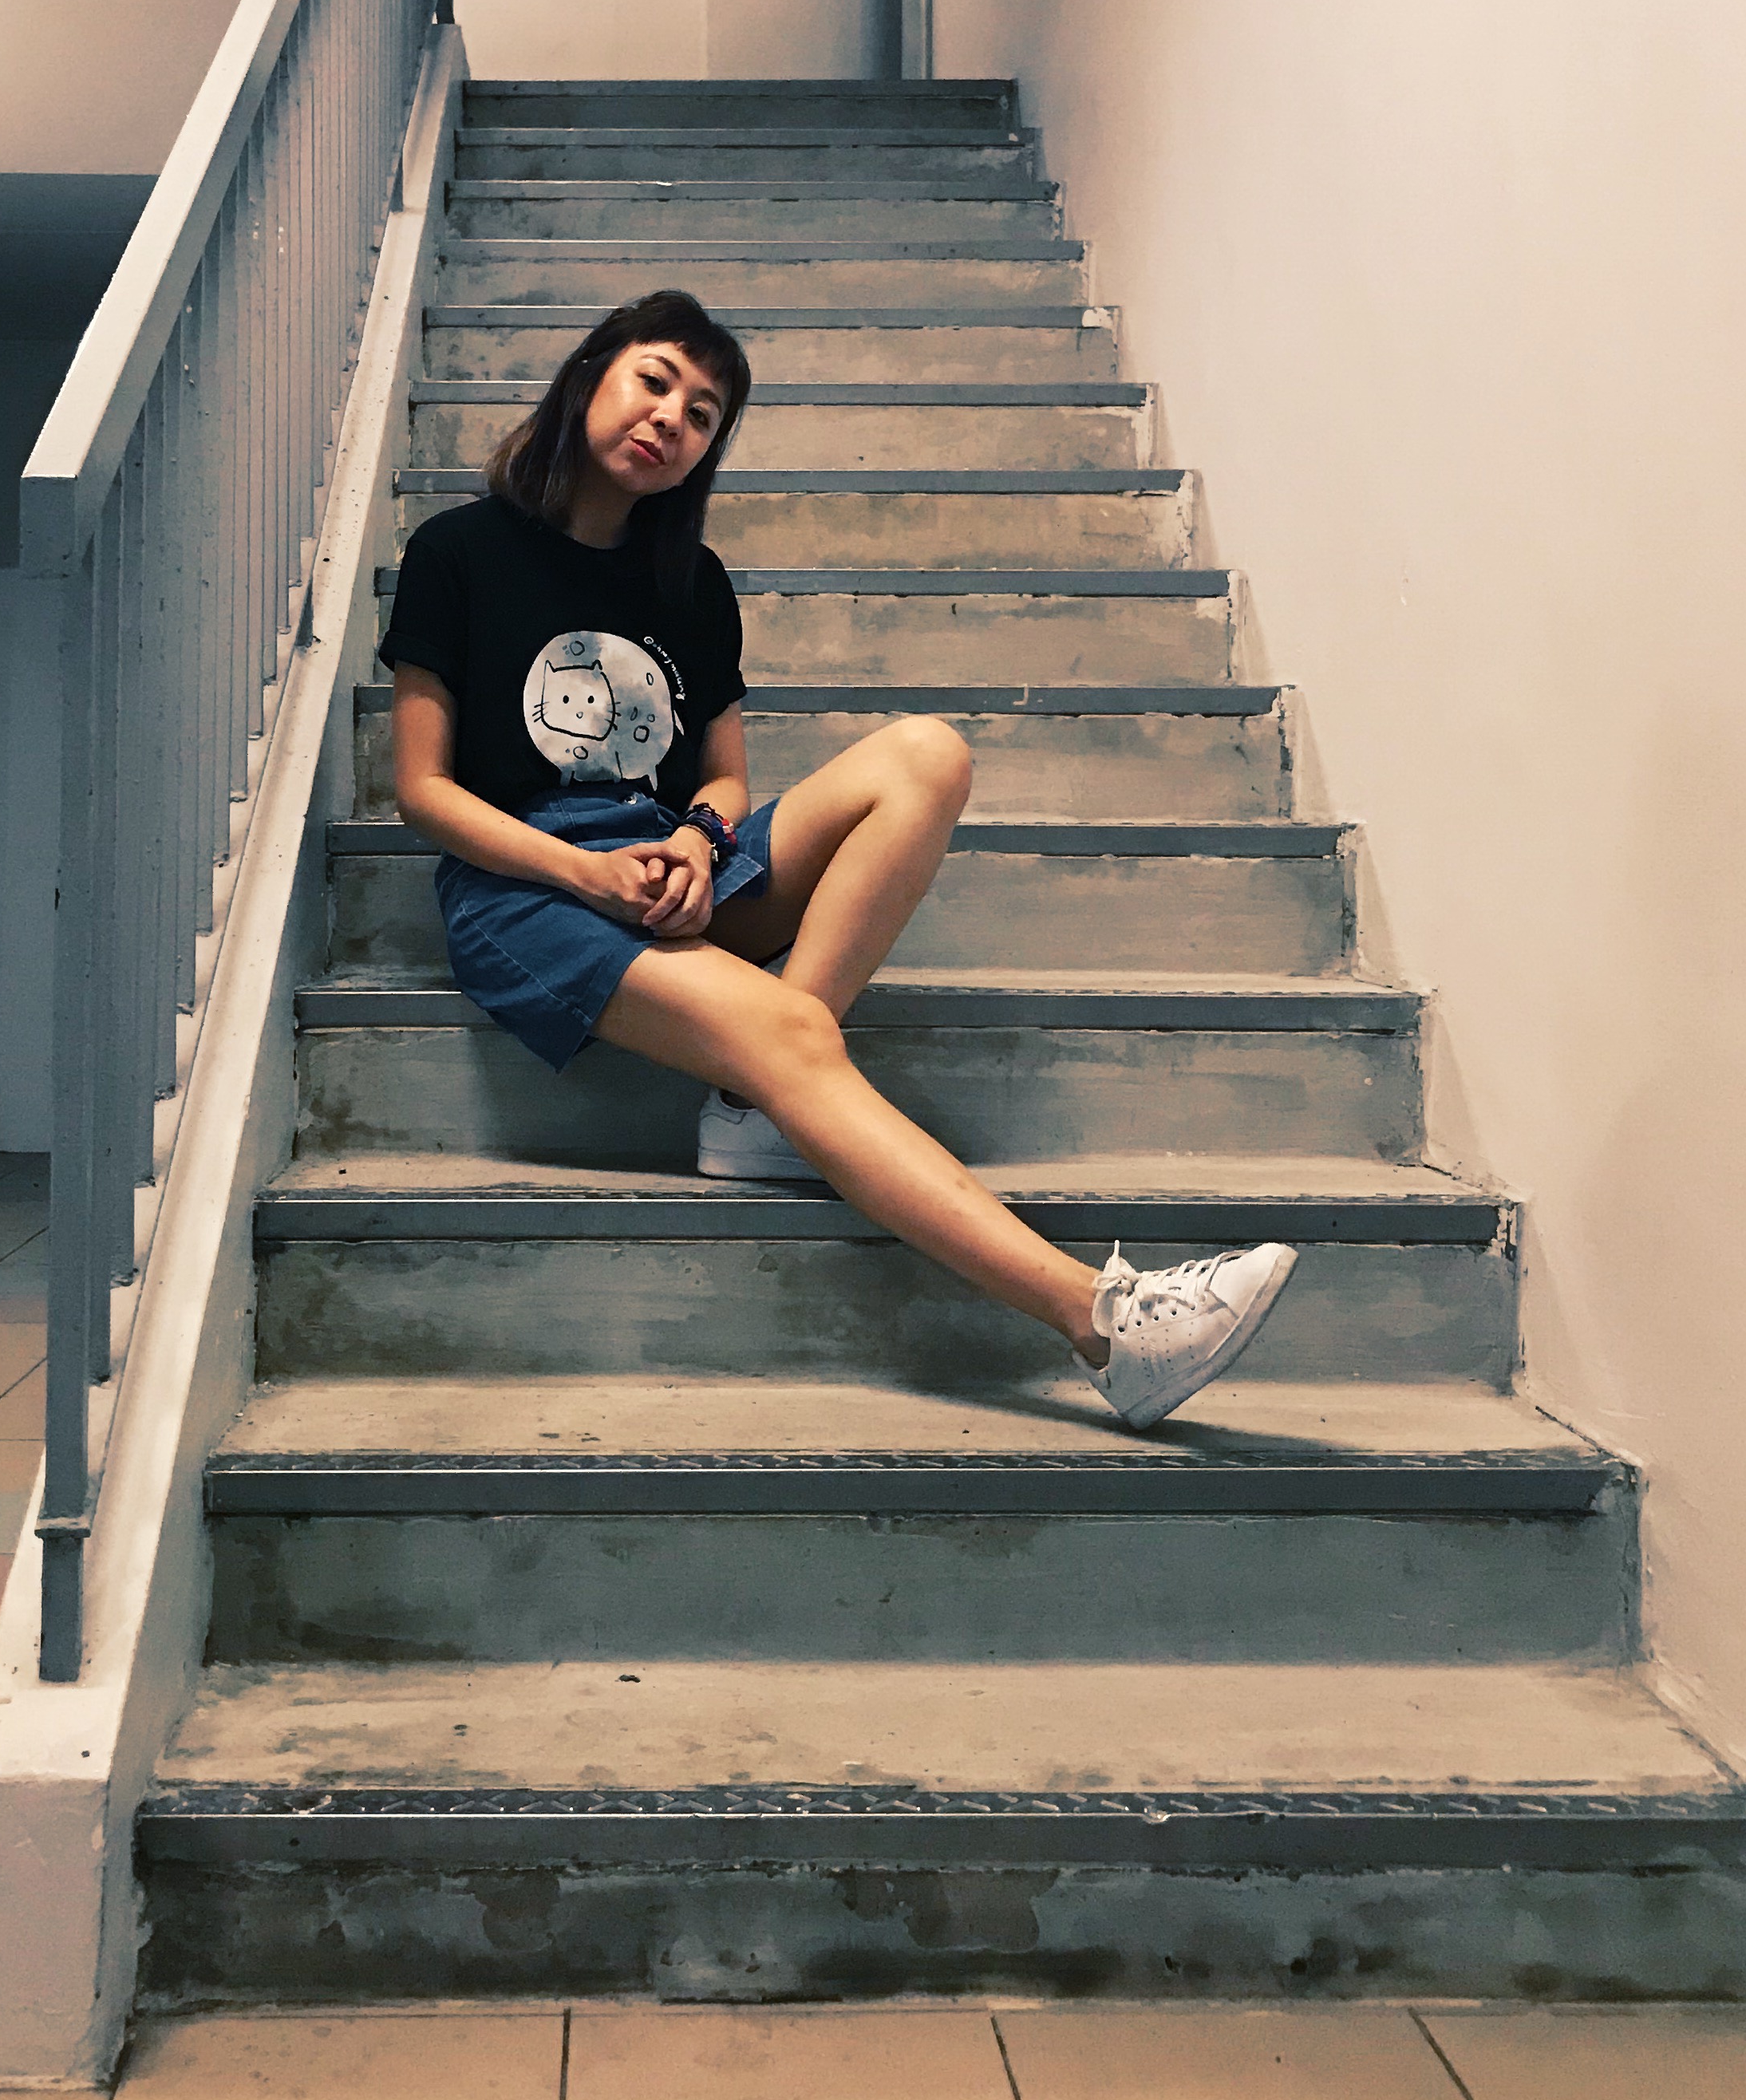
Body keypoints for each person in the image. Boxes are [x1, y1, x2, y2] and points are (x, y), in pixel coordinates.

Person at [380, 289, 1297, 1431]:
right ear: (590, 378)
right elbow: (422, 792)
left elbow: (724, 779)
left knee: (927, 755)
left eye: (703, 414)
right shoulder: (459, 552)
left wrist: (697, 841)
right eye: (655, 381)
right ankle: (1105, 1326)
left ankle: (754, 1102)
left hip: (668, 871)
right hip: (525, 892)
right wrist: (583, 874)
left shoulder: (692, 583)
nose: (671, 419)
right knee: (801, 1036)